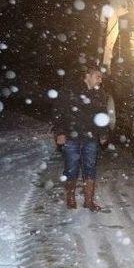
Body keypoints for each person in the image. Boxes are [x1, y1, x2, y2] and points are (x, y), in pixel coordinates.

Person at [53, 66, 108, 211]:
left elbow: (102, 115)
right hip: (71, 136)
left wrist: (103, 133)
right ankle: (70, 197)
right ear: (87, 76)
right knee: (71, 167)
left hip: (91, 137)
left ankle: (89, 201)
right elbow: (59, 112)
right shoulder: (70, 90)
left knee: (90, 167)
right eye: (98, 76)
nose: (100, 80)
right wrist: (60, 133)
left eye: (101, 77)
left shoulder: (100, 93)